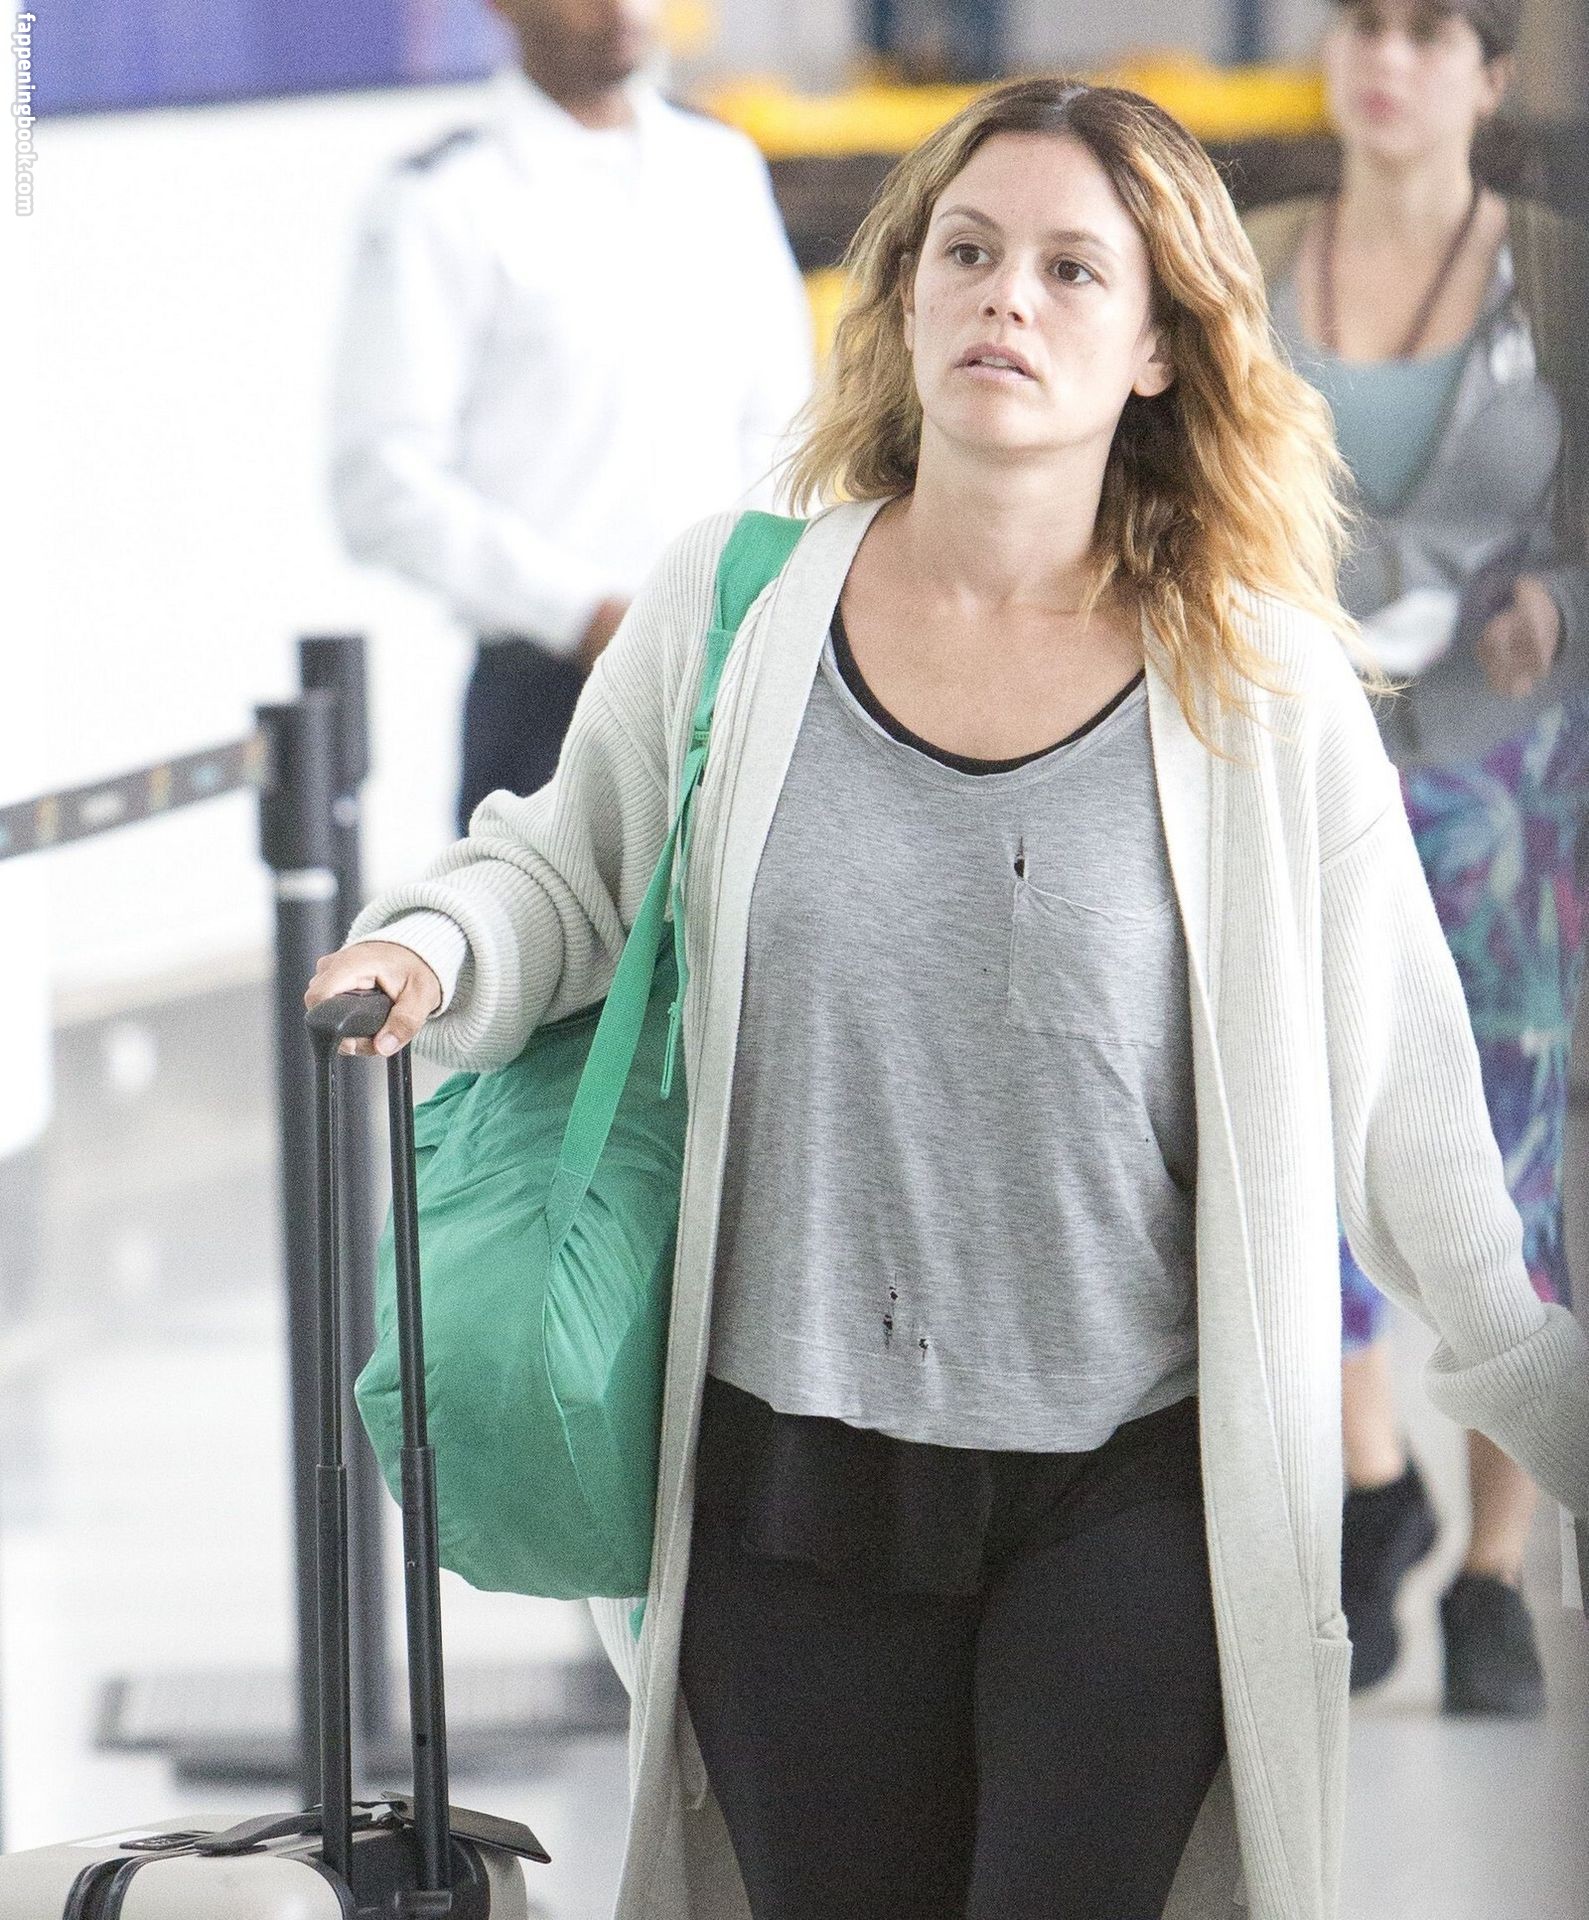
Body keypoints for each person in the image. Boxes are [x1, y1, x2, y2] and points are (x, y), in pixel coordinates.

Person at [308, 75, 1589, 1920]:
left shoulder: (1254, 685)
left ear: (1158, 347)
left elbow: (1406, 1102)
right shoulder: (737, 606)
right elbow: (568, 870)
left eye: (1074, 270)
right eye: (967, 252)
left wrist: (1546, 1396)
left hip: (1132, 1485)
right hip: (787, 1475)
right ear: (901, 293)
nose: (1007, 297)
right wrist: (435, 946)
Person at [1245, 0, 1589, 1715]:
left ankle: (1491, 1566)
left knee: (1508, 1155)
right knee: (1291, 1116)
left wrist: (1559, 606)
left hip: (1502, 780)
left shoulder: (1557, 272)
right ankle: (1371, 1475)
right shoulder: (1248, 260)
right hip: (1293, 753)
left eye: (1424, 30)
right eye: (1360, 24)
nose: (1383, 60)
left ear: (1487, 73)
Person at [329, 0, 813, 833]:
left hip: (733, 664)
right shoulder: (447, 196)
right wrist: (585, 614)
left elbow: (783, 420)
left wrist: (762, 592)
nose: (621, 8)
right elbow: (381, 481)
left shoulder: (718, 165)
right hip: (546, 695)